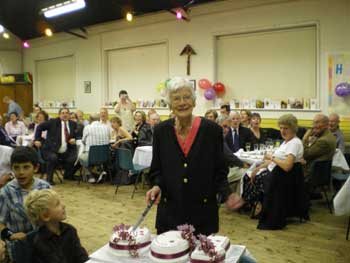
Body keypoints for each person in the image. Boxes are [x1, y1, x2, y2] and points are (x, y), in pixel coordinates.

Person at [146, 77, 242, 235]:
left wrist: (227, 194)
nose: (182, 102)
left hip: (202, 213)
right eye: (176, 98)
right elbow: (157, 169)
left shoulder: (211, 131)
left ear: (194, 101)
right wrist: (156, 185)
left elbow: (219, 169)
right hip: (170, 212)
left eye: (186, 97)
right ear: (170, 104)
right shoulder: (161, 131)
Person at [242, 114, 305, 229]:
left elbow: (287, 166)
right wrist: (259, 168)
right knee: (249, 175)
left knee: (251, 178)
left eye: (285, 128)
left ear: (293, 128)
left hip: (283, 178)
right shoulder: (287, 141)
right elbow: (278, 160)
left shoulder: (294, 143)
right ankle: (257, 205)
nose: (282, 131)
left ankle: (259, 205)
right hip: (277, 173)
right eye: (280, 128)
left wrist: (271, 158)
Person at [0, 147, 50, 260]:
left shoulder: (45, 187)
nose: (21, 172)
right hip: (20, 247)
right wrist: (10, 235)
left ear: (36, 168)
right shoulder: (6, 192)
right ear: (11, 168)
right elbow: (0, 222)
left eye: (26, 167)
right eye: (16, 168)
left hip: (44, 242)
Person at [24, 189, 89, 263]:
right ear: (45, 216)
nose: (63, 205)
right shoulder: (40, 243)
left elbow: (80, 255)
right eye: (57, 204)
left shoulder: (70, 230)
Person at [34, 107, 78, 184]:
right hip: (50, 150)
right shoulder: (52, 122)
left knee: (76, 157)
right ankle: (49, 179)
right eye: (63, 113)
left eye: (66, 113)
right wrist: (37, 139)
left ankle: (68, 175)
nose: (65, 115)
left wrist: (75, 139)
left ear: (69, 115)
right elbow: (39, 127)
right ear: (59, 115)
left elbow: (77, 135)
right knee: (53, 157)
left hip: (65, 150)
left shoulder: (73, 124)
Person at [302, 114, 336, 181]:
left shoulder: (323, 141)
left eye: (317, 122)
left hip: (311, 173)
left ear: (326, 124)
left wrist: (305, 138)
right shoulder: (329, 135)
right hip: (319, 172)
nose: (314, 126)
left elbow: (305, 154)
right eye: (314, 122)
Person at [80, 114, 111, 183]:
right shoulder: (106, 127)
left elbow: (83, 141)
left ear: (90, 120)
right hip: (104, 156)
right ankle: (99, 170)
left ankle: (90, 175)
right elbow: (109, 139)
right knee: (95, 158)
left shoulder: (87, 127)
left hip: (91, 156)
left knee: (81, 157)